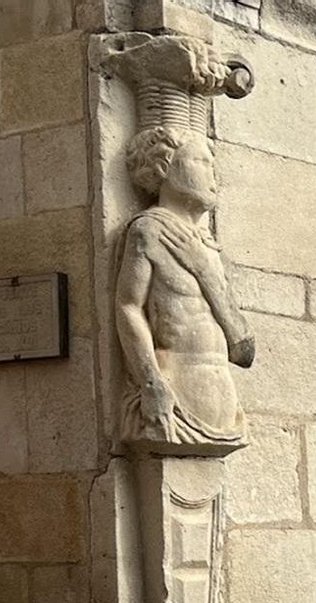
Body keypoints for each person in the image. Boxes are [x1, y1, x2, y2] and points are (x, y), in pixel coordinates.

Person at [115, 127, 253, 450]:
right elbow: (128, 306)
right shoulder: (149, 230)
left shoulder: (209, 249)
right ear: (164, 167)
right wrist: (151, 383)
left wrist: (205, 271)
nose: (212, 174)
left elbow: (244, 351)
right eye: (200, 162)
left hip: (222, 400)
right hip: (176, 394)